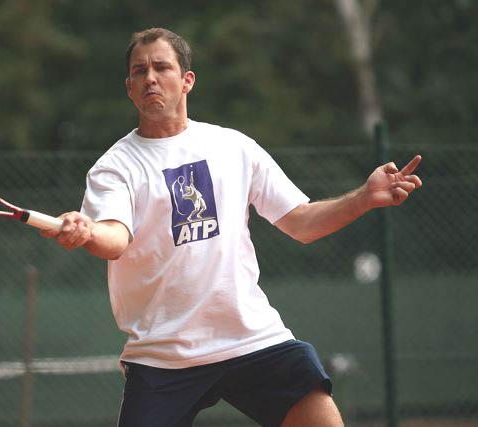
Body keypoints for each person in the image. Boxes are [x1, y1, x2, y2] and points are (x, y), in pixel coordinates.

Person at [42, 28, 422, 427]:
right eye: (140, 71)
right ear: (129, 87)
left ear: (187, 80)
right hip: (163, 354)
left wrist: (364, 197)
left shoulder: (233, 147)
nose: (150, 78)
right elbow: (115, 237)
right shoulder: (115, 167)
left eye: (161, 67)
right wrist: (87, 231)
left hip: (251, 338)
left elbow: (301, 222)